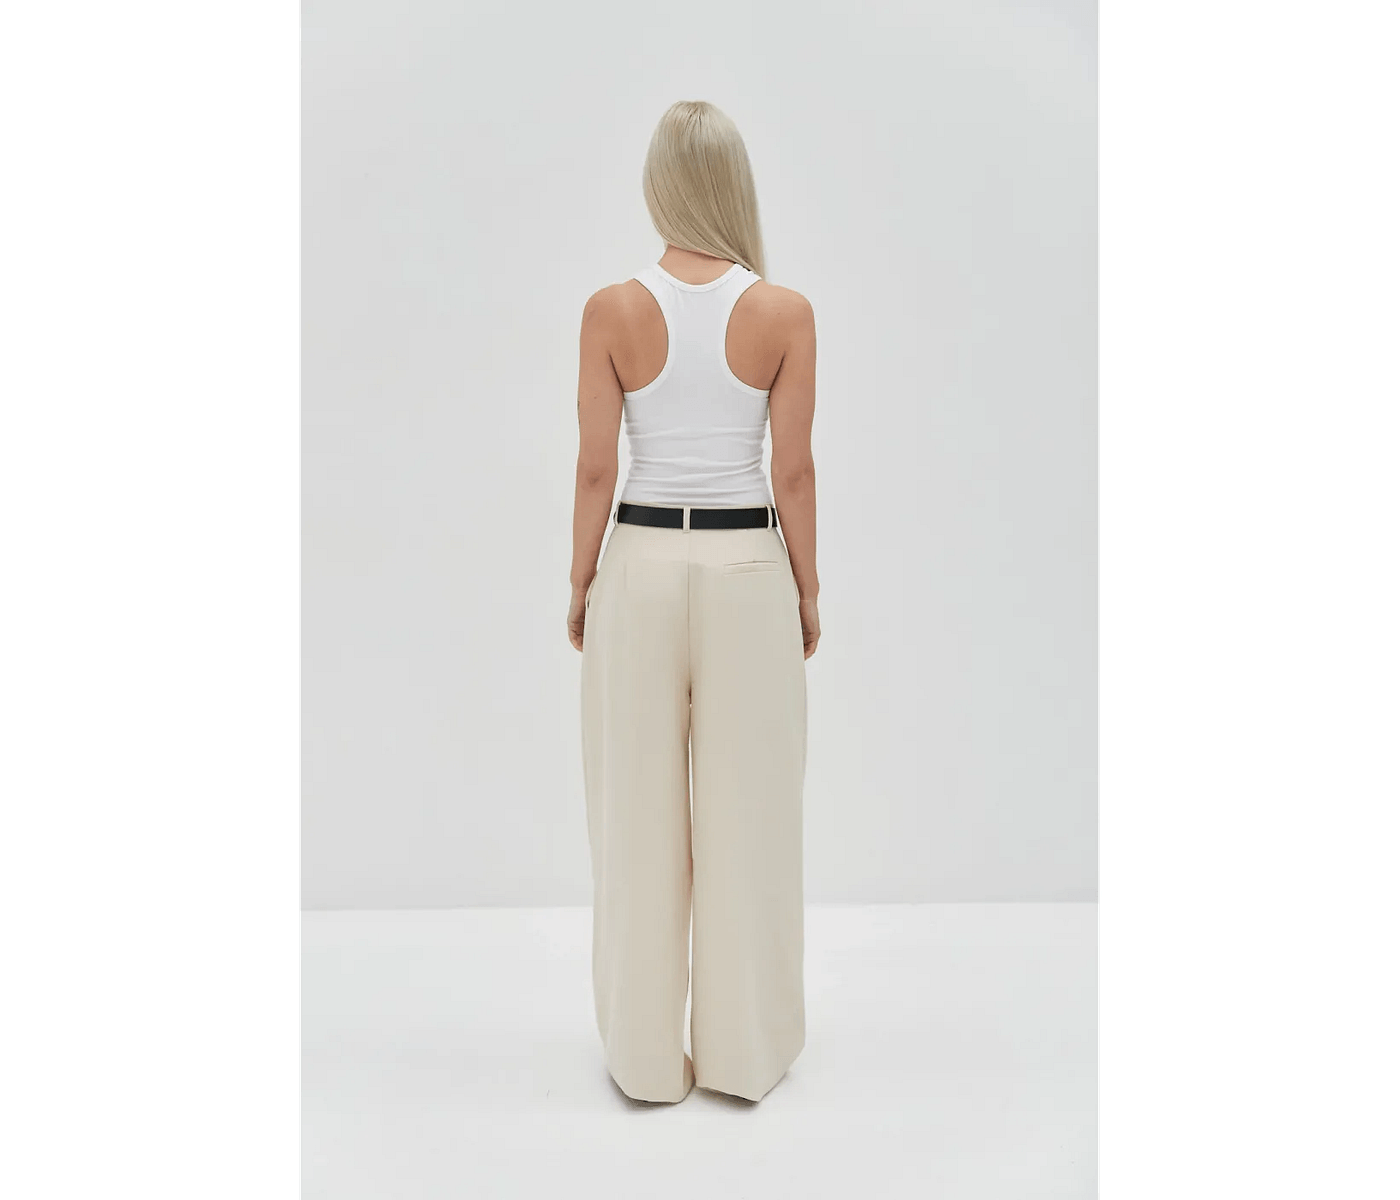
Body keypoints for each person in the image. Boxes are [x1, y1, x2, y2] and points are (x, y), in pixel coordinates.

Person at [568, 100, 819, 1104]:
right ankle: (743, 1055)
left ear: (658, 186)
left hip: (636, 562)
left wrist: (579, 579)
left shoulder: (612, 310)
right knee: (750, 813)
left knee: (633, 813)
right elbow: (791, 472)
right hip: (748, 568)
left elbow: (596, 467)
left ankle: (642, 1061)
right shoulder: (784, 313)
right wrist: (808, 588)